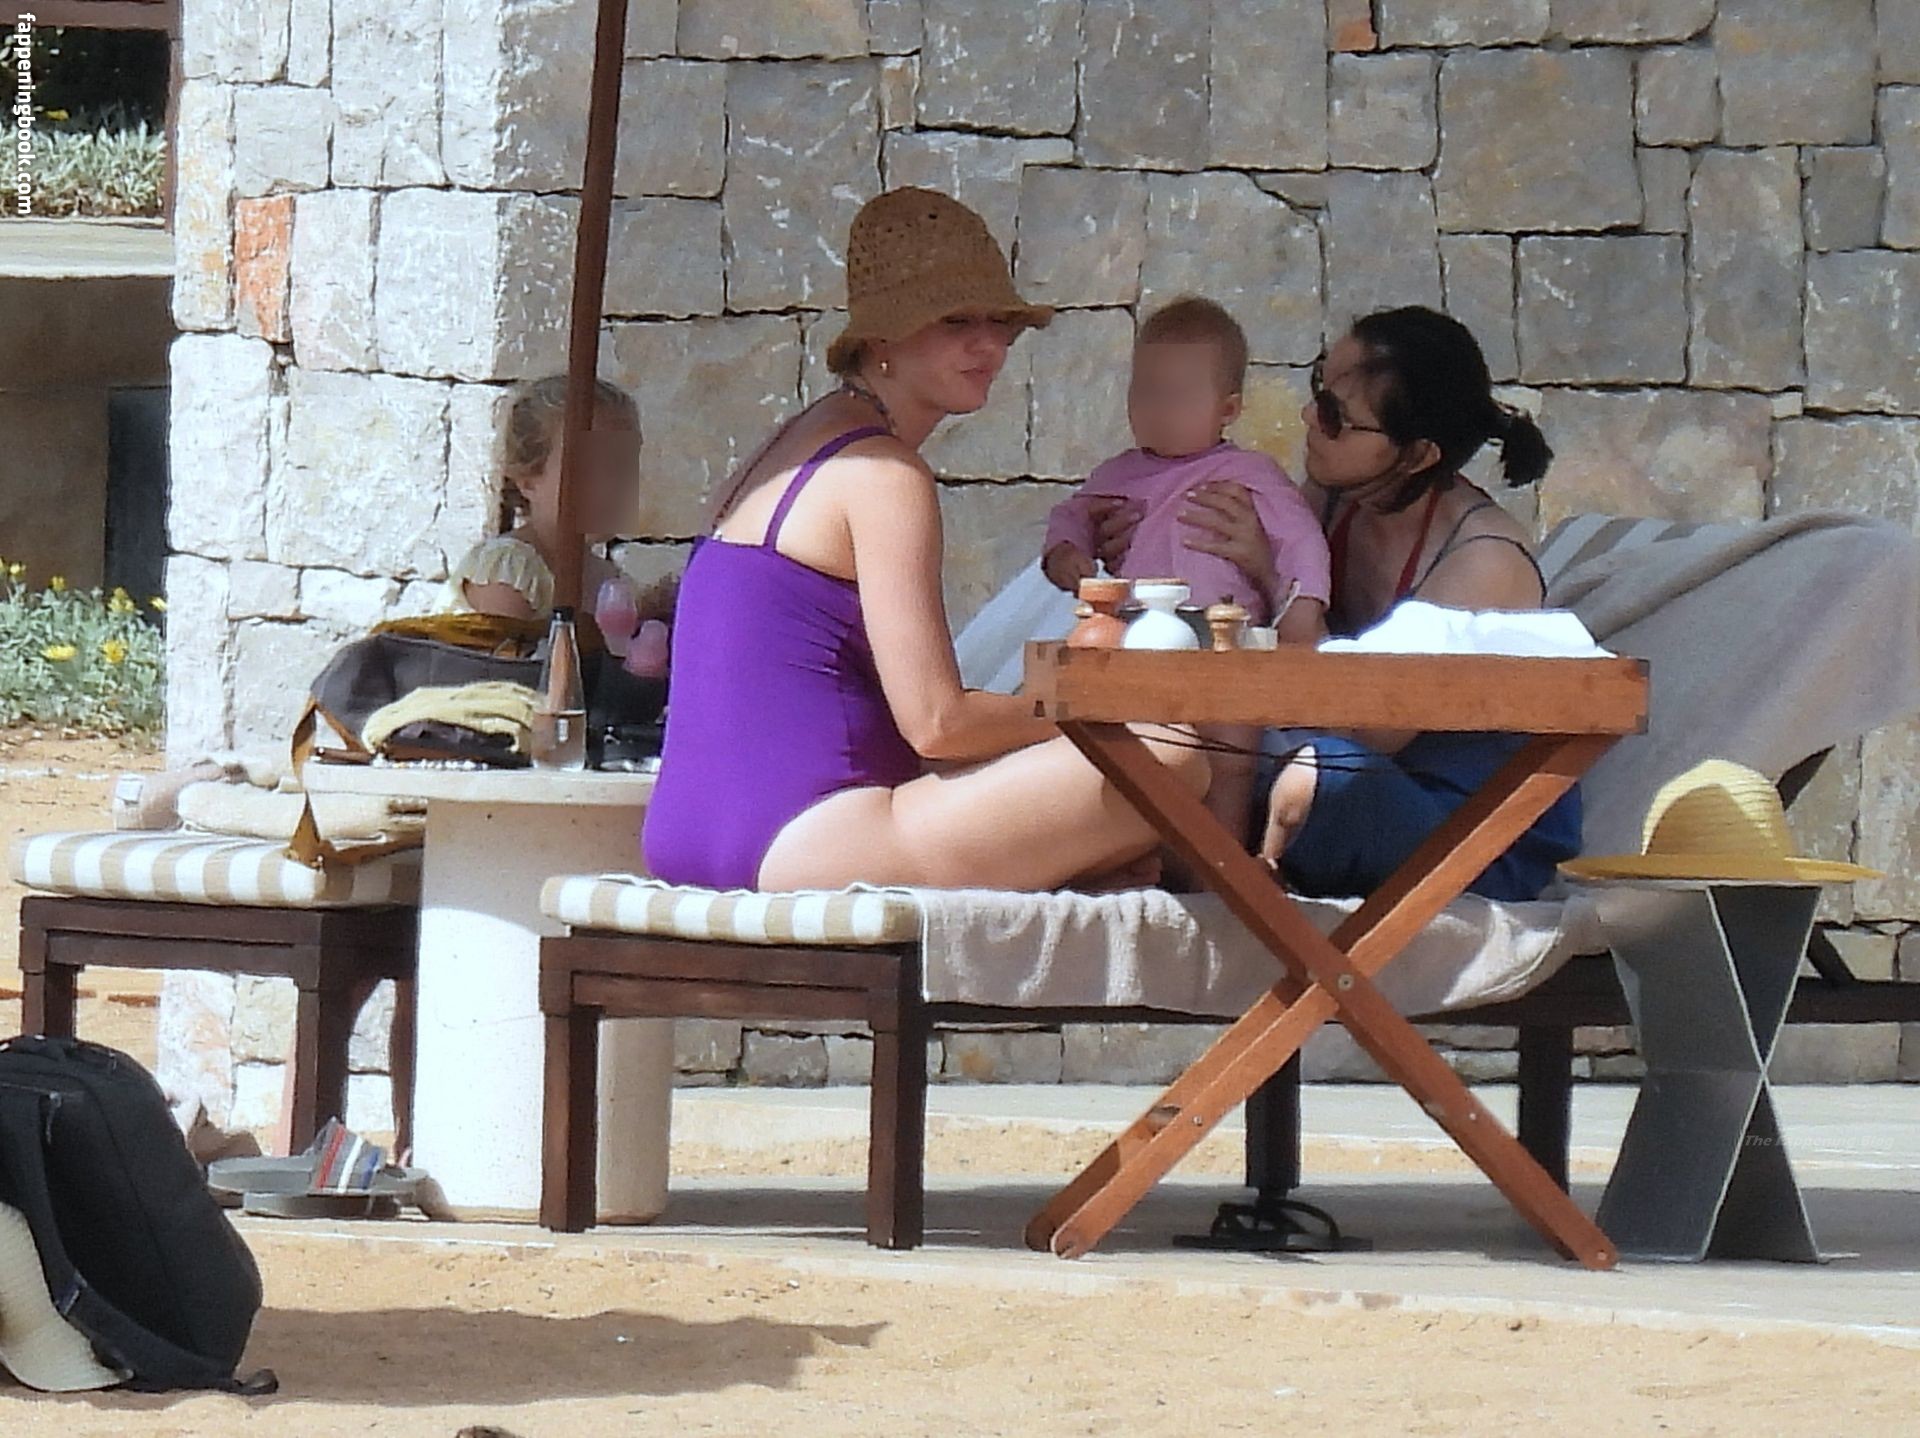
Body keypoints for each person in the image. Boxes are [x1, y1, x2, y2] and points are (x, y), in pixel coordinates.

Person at [642, 187, 1210, 894]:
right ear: (882, 339)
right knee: (1168, 754)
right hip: (809, 838)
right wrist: (1088, 708)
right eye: (956, 321)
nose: (989, 345)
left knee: (1100, 818)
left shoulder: (782, 452)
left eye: (1000, 322)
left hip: (686, 835)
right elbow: (939, 725)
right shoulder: (884, 472)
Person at [1092, 305, 1577, 902]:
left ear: (1418, 455)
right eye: (1317, 387)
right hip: (1331, 770)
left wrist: (1269, 577)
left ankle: (1234, 887)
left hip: (1461, 825)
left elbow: (1365, 727)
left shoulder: (1484, 562)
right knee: (1170, 746)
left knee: (1310, 774)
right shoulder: (1339, 497)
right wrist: (1140, 540)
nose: (1307, 418)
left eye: (1333, 416)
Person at [1040, 295, 1330, 636]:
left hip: (1225, 627)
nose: (1160, 409)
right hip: (1136, 627)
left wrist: (1305, 606)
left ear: (1227, 410)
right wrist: (1064, 553)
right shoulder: (1117, 475)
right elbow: (1072, 517)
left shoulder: (1250, 473)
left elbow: (1300, 540)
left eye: (1178, 396)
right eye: (1147, 391)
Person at [439, 375, 677, 635]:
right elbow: (505, 657)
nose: (609, 485)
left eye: (623, 465)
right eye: (585, 468)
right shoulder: (509, 572)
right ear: (528, 480)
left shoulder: (608, 579)